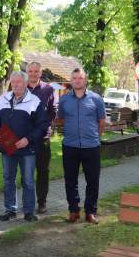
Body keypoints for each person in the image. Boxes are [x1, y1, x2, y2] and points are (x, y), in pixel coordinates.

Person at [0, 71, 49, 222]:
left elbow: (43, 125)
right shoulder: (2, 99)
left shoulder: (34, 101)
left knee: (28, 180)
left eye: (19, 82)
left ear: (25, 84)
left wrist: (28, 139)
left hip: (27, 149)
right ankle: (10, 210)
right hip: (7, 148)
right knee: (8, 179)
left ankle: (29, 211)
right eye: (13, 82)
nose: (16, 84)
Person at [58, 68, 106, 224]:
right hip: (70, 145)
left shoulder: (96, 99)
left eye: (80, 78)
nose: (77, 80)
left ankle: (90, 212)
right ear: (71, 80)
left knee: (93, 181)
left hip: (91, 146)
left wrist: (94, 137)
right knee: (70, 180)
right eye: (74, 78)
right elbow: (62, 119)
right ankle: (73, 211)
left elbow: (101, 122)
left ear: (85, 80)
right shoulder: (64, 100)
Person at [26, 61, 56, 214]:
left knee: (43, 171)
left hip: (43, 138)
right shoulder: (20, 88)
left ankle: (42, 202)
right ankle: (28, 203)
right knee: (27, 172)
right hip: (25, 138)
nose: (33, 74)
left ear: (40, 72)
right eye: (30, 71)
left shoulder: (48, 90)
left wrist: (46, 126)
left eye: (35, 71)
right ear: (27, 72)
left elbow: (52, 112)